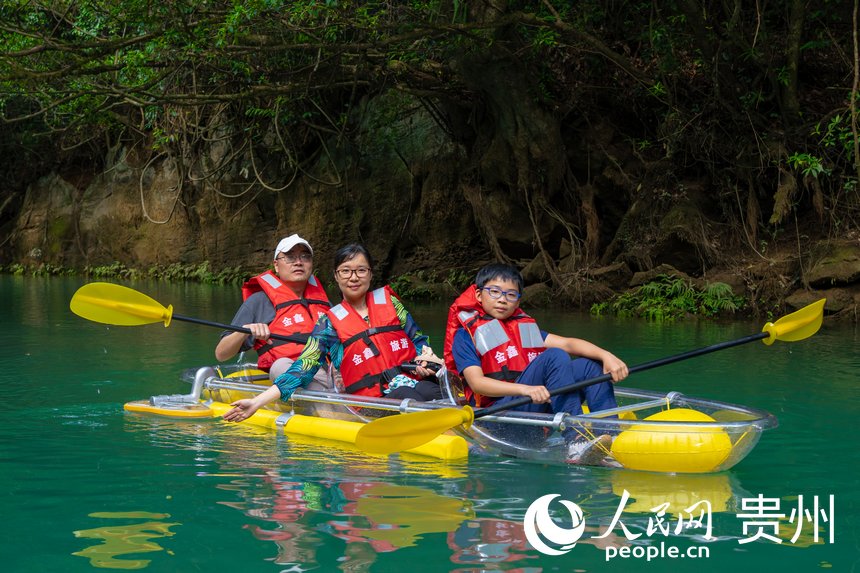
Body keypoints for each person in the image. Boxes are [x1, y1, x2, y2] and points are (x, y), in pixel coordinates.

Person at [223, 243, 441, 422]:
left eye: (360, 270)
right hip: (371, 405)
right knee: (407, 397)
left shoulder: (391, 303)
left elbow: (418, 340)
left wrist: (426, 358)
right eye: (346, 271)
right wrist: (257, 402)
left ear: (370, 274)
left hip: (411, 385)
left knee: (434, 391)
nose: (353, 277)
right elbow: (302, 368)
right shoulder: (330, 322)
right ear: (336, 277)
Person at [443, 263, 629, 466]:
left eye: (511, 295)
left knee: (589, 366)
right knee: (554, 356)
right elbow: (477, 383)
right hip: (498, 419)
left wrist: (606, 356)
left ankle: (611, 439)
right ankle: (576, 442)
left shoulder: (524, 328)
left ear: (518, 301)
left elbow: (569, 343)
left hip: (533, 412)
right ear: (479, 295)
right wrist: (526, 389)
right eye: (494, 292)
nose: (503, 299)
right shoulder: (465, 336)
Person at [214, 234, 333, 389]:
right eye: (290, 257)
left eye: (305, 257)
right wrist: (245, 331)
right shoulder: (259, 302)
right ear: (276, 265)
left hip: (330, 372)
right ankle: (327, 407)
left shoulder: (323, 302)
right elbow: (221, 353)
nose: (298, 262)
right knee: (281, 366)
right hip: (290, 373)